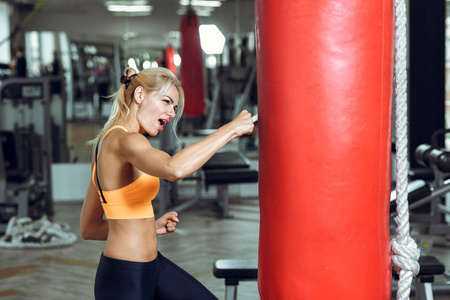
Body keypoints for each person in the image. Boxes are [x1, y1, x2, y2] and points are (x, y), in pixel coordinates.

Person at [80, 66, 254, 300]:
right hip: (124, 278)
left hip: (153, 266)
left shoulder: (107, 143)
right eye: (166, 102)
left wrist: (148, 228)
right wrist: (231, 129)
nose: (171, 113)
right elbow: (174, 168)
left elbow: (89, 228)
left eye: (174, 107)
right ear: (140, 96)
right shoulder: (125, 140)